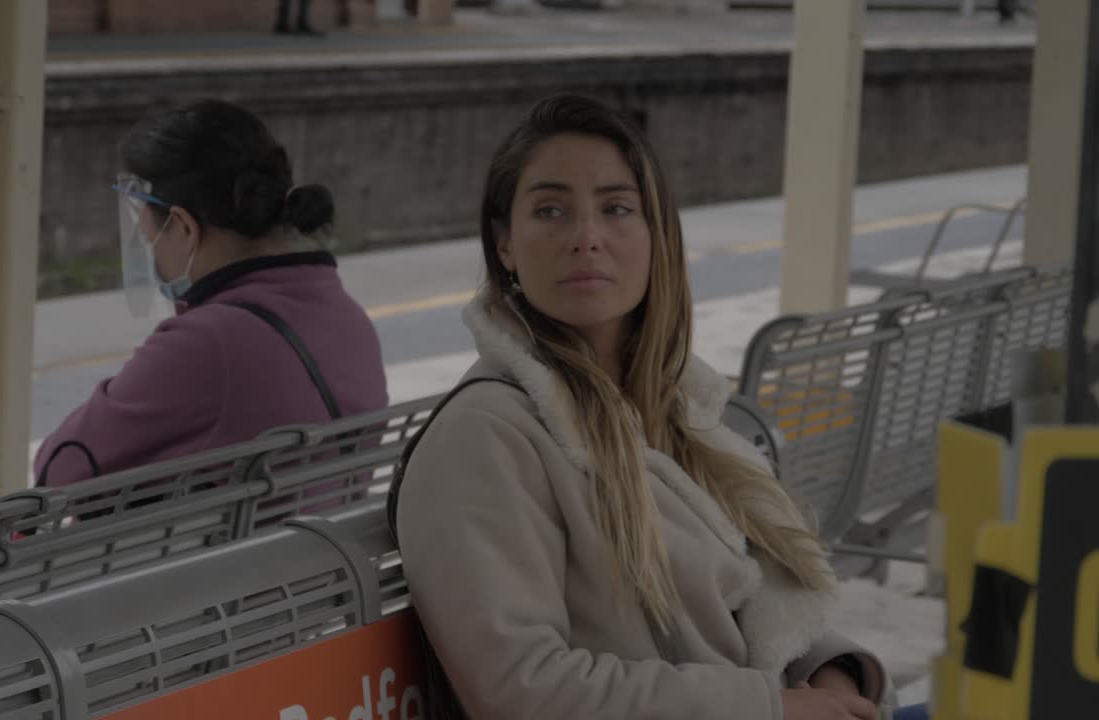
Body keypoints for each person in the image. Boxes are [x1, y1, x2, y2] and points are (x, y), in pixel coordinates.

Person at [393, 94, 923, 719]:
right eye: (550, 211)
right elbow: (522, 691)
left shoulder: (678, 413)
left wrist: (833, 676)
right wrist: (770, 710)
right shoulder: (485, 438)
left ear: (656, 235)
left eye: (616, 208)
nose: (585, 238)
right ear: (504, 245)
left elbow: (746, 614)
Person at [34, 99, 388, 488]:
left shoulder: (208, 342)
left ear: (184, 227)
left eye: (146, 227)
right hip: (324, 544)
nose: (147, 243)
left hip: (236, 550)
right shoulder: (349, 318)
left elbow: (60, 467)